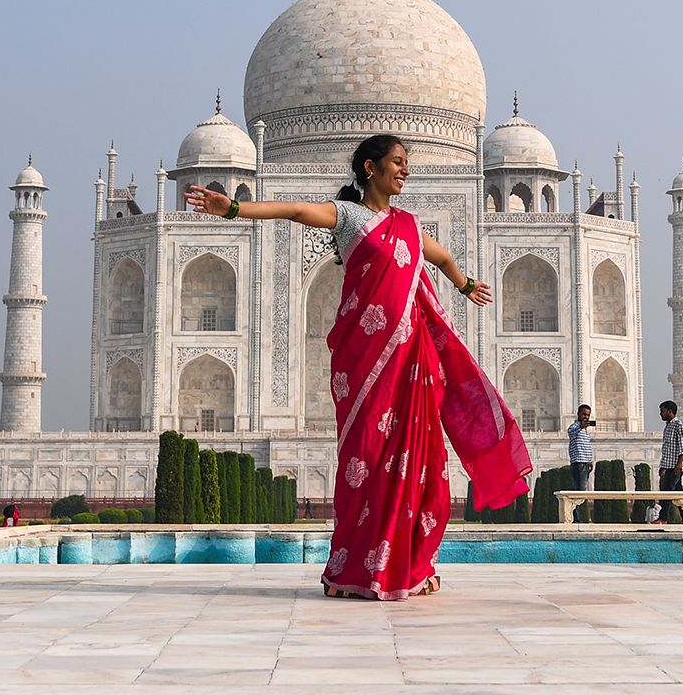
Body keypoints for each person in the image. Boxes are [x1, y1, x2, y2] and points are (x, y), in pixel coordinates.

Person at [185, 133, 532, 599]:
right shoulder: (348, 216)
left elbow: (443, 257)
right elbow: (294, 210)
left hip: (409, 359)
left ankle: (407, 567)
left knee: (418, 457)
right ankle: (355, 566)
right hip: (362, 358)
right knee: (363, 456)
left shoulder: (410, 226)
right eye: (397, 162)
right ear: (371, 167)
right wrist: (232, 209)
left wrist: (465, 284)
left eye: (407, 162)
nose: (405, 170)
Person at [646, 401, 683, 525]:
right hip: (669, 466)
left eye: (662, 411)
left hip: (676, 466)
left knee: (667, 491)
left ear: (670, 411)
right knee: (677, 493)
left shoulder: (679, 425)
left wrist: (679, 464)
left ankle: (663, 518)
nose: (660, 414)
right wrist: (662, 466)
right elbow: (667, 449)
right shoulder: (668, 426)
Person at [567, 404, 595, 523]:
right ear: (578, 414)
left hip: (585, 464)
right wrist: (580, 426)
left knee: (579, 491)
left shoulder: (585, 431)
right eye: (584, 414)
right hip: (578, 463)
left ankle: (576, 517)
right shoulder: (575, 427)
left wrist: (590, 461)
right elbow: (570, 432)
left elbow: (586, 447)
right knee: (579, 492)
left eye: (588, 415)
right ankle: (576, 517)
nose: (586, 417)